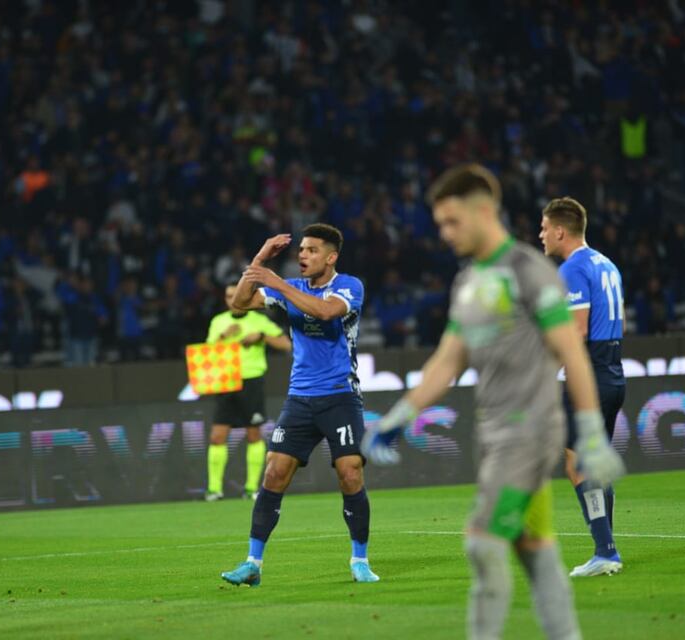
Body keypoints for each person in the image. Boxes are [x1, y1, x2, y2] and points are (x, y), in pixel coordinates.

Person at [364, 164, 624, 640]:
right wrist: (399, 416)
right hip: (494, 433)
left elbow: (573, 351)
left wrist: (589, 431)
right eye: (440, 224)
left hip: (530, 433)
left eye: (452, 221)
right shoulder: (468, 281)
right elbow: (448, 359)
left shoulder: (531, 271)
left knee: (482, 545)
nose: (444, 233)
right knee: (536, 551)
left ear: (484, 211)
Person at [220, 223, 379, 586]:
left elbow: (325, 312)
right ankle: (253, 563)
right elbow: (239, 303)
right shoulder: (291, 287)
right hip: (300, 398)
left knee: (350, 472)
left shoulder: (349, 286)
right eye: (301, 249)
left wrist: (276, 283)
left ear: (331, 257)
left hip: (340, 396)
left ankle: (360, 560)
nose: (302, 255)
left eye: (311, 250)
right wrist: (260, 259)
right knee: (274, 473)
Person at [539, 196, 627, 577]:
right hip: (613, 372)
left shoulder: (572, 269)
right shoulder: (607, 264)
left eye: (545, 228)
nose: (541, 235)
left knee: (576, 461)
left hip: (588, 376)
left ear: (561, 231)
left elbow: (576, 331)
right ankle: (607, 547)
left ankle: (605, 551)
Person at [205, 283, 292, 502]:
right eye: (228, 296)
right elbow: (205, 357)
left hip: (251, 381)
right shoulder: (218, 322)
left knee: (253, 434)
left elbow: (285, 344)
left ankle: (252, 488)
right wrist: (223, 337)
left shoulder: (259, 321)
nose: (232, 300)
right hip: (226, 382)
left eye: (235, 295)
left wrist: (262, 337)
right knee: (217, 436)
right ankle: (214, 490)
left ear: (244, 296)